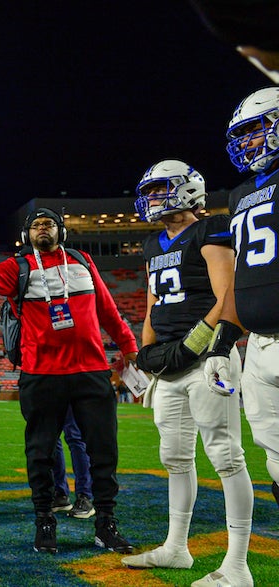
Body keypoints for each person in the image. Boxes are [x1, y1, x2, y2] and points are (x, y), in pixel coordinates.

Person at [0, 208, 138, 554]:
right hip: (42, 375)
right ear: (27, 234)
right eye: (36, 225)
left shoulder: (83, 260)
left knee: (104, 453)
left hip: (90, 371)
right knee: (40, 454)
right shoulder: (18, 267)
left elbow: (107, 308)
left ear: (61, 231)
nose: (43, 229)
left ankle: (106, 524)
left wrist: (128, 345)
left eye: (49, 224)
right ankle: (45, 522)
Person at [122, 160, 254, 586]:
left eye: (162, 189)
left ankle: (237, 565)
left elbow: (227, 294)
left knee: (226, 457)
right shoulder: (151, 245)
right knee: (174, 457)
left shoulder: (211, 229)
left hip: (208, 359)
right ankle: (176, 547)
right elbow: (152, 303)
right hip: (170, 366)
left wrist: (193, 345)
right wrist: (147, 352)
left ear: (188, 190)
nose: (154, 198)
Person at [206, 87, 279, 513]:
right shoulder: (239, 195)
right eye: (243, 135)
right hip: (259, 345)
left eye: (256, 131)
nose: (248, 143)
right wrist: (222, 342)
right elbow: (244, 277)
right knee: (272, 453)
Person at [51, 406, 94, 519]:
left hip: (72, 391)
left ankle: (84, 496)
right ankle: (60, 494)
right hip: (49, 390)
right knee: (50, 439)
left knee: (75, 436)